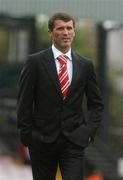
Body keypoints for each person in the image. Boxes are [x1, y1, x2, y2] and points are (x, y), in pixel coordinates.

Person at [17, 12, 104, 180]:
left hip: (74, 141)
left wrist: (88, 131)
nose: (65, 33)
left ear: (74, 32)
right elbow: (24, 102)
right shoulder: (34, 62)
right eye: (60, 28)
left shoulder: (85, 65)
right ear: (51, 32)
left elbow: (96, 104)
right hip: (41, 142)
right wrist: (28, 136)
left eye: (69, 28)